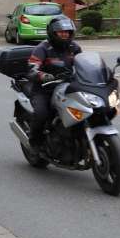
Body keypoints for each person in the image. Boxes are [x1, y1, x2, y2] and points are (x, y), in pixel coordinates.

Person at [27, 16, 82, 149]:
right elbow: (32, 68)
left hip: (68, 87)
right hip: (44, 89)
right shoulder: (43, 48)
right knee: (42, 113)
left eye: (67, 31)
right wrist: (43, 75)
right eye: (61, 32)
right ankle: (35, 141)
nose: (65, 34)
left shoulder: (74, 47)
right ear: (53, 32)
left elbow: (83, 63)